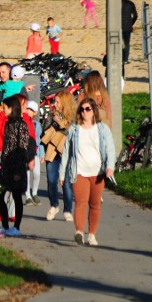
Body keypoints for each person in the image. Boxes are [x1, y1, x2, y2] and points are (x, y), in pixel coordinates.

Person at [60, 97, 116, 246]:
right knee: (80, 202)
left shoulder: (102, 129)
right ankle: (79, 231)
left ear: (93, 111)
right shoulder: (74, 129)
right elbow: (66, 152)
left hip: (98, 173)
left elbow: (110, 149)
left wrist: (110, 166)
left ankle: (91, 234)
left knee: (95, 204)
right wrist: (62, 173)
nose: (84, 112)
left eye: (88, 109)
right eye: (82, 109)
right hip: (79, 172)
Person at [0, 96, 36, 237]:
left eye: (5, 107)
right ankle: (5, 225)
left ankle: (16, 227)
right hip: (6, 165)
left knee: (16, 196)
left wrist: (19, 169)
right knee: (0, 196)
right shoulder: (8, 124)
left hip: (17, 166)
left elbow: (22, 148)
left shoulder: (22, 125)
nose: (3, 109)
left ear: (12, 108)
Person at [44, 91, 76, 222]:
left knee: (66, 183)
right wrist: (52, 122)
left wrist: (62, 123)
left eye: (57, 102)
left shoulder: (73, 117)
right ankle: (54, 205)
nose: (55, 104)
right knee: (51, 179)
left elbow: (73, 132)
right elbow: (44, 130)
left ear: (65, 103)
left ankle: (68, 210)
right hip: (52, 150)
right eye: (54, 102)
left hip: (66, 151)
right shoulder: (51, 115)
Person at [25, 100, 44, 206]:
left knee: (36, 174)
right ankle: (28, 195)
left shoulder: (37, 125)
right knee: (27, 174)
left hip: (35, 152)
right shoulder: (22, 122)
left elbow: (40, 140)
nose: (28, 111)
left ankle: (34, 193)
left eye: (31, 110)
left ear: (35, 113)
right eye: (27, 108)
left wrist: (42, 154)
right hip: (26, 153)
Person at [121, 0, 138, 64]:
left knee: (118, 42)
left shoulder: (116, 3)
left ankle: (119, 57)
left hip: (117, 25)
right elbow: (135, 16)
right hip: (127, 26)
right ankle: (125, 59)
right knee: (126, 43)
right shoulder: (130, 4)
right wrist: (131, 23)